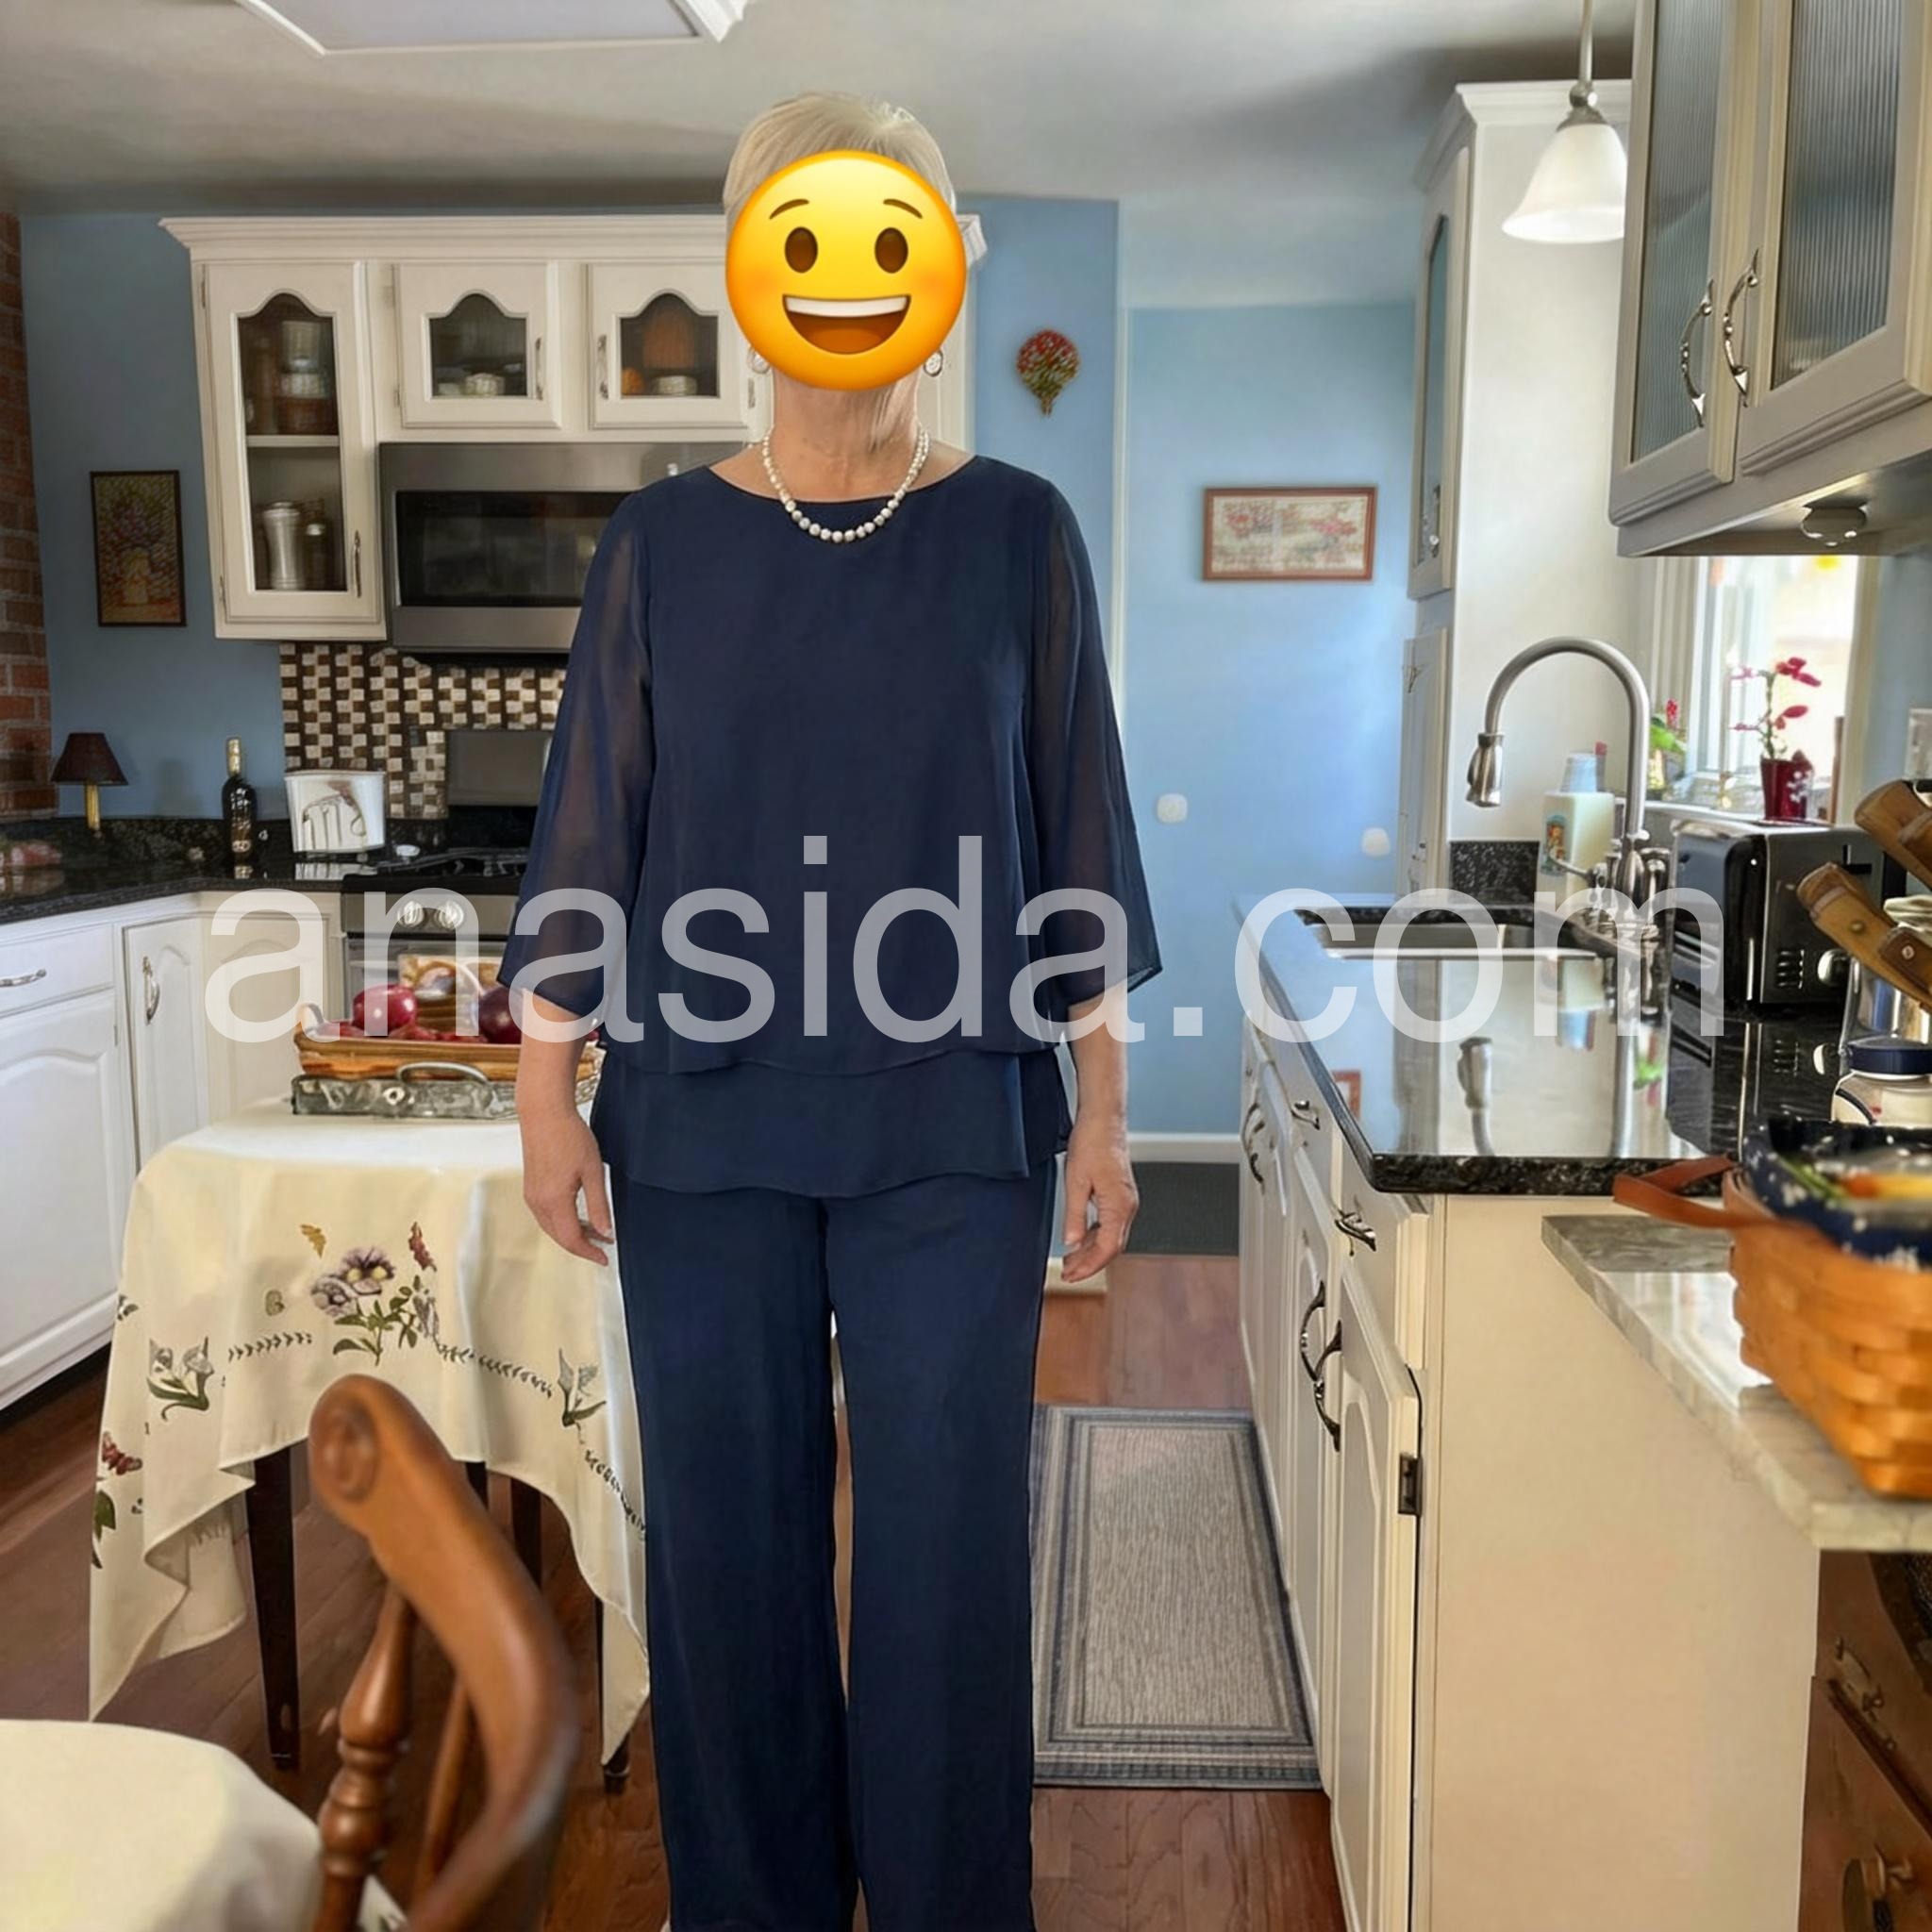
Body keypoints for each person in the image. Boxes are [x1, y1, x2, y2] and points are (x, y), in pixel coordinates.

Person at [504, 91, 1159, 1932]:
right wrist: (546, 1092)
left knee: (948, 1552)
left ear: (941, 279)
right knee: (728, 1555)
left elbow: (1077, 836)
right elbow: (593, 828)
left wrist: (1105, 1110)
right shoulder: (656, 548)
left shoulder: (1019, 533)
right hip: (699, 1123)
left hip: (959, 1122)